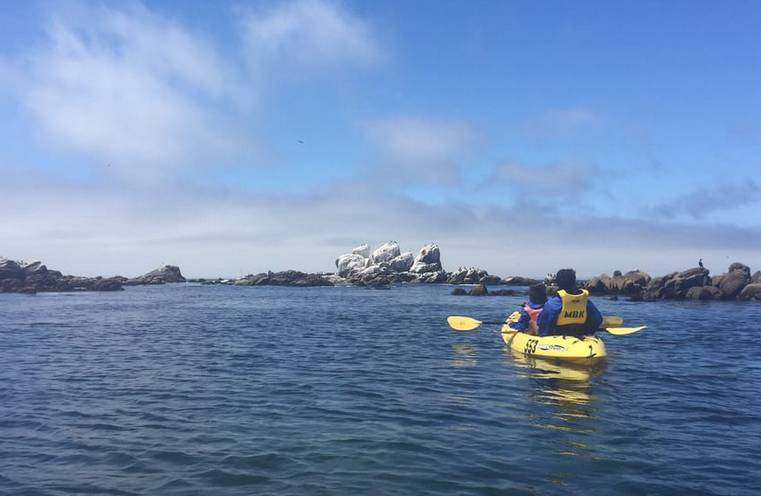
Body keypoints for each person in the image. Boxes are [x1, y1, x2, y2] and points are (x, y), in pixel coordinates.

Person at [536, 268, 603, 337]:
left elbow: (543, 324)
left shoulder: (553, 303)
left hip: (557, 336)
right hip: (580, 335)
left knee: (532, 323)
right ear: (574, 281)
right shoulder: (585, 301)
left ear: (558, 282)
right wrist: (589, 332)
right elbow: (598, 319)